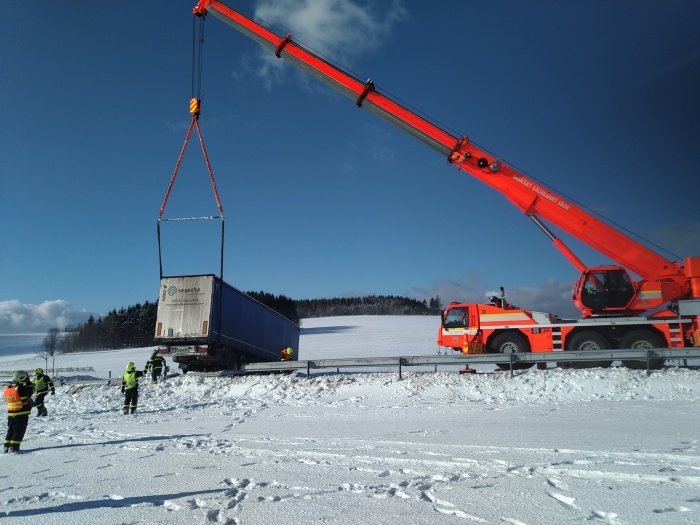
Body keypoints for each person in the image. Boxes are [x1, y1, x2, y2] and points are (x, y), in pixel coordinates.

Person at [3, 370, 33, 453]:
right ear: (22, 378)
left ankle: (6, 446)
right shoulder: (21, 388)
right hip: (21, 413)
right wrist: (29, 384)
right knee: (19, 431)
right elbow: (31, 392)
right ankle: (14, 447)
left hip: (11, 414)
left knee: (11, 430)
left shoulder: (9, 389)